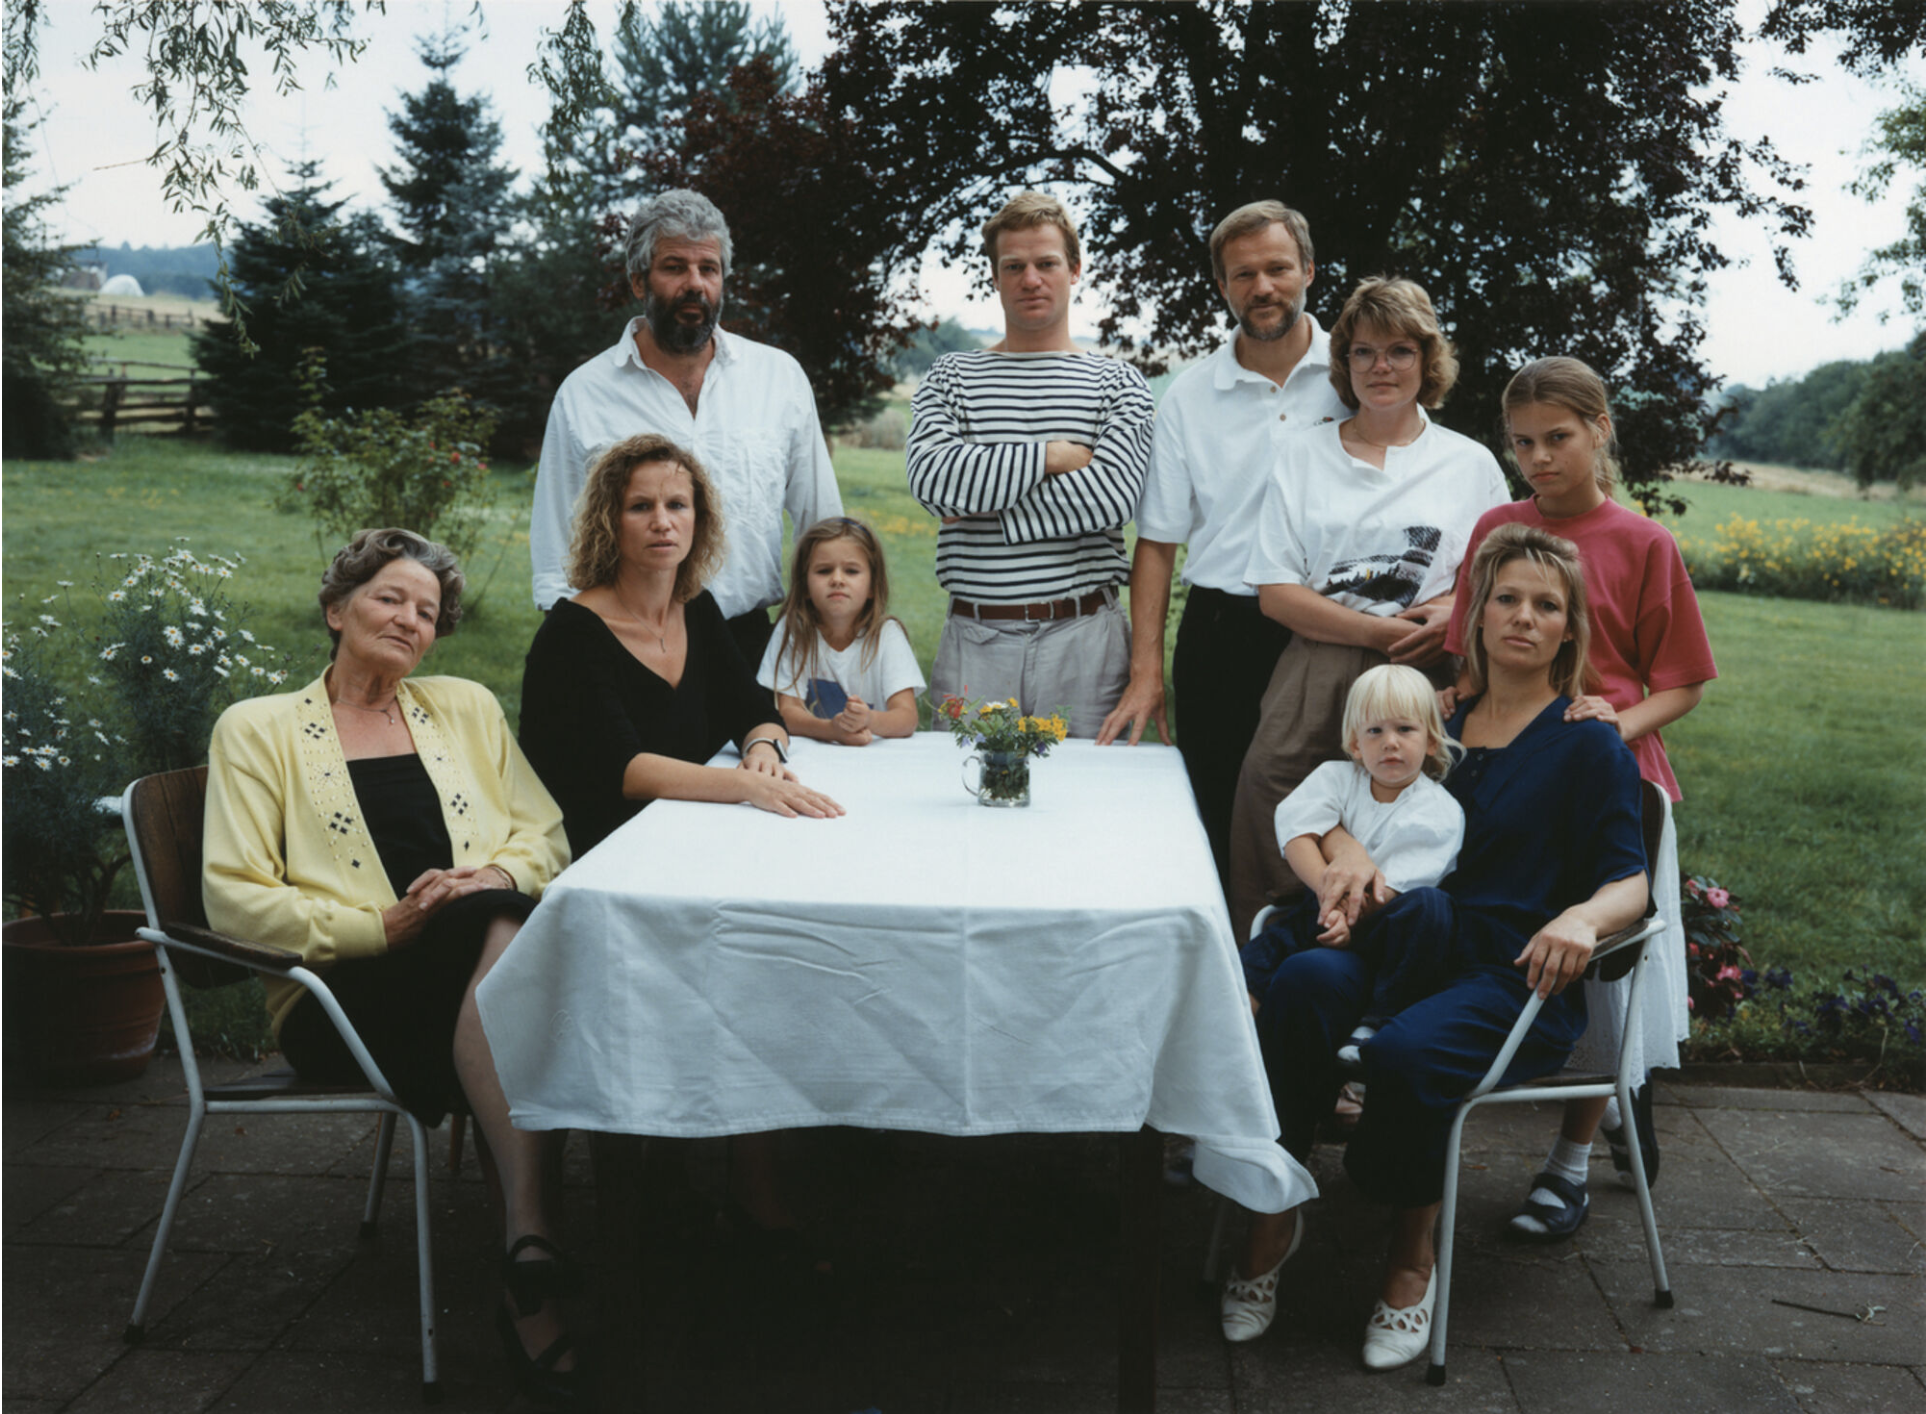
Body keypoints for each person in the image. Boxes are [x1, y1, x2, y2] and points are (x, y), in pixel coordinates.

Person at [1221, 523, 1648, 1372]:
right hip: (1400, 942)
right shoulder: (1431, 715)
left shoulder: (1586, 738)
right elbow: (1343, 796)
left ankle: (1412, 1254)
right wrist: (1344, 849)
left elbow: (1630, 882)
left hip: (1510, 970)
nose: (1525, 617)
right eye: (1507, 598)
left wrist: (1582, 921)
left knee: (1411, 1055)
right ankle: (1272, 1216)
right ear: (1477, 614)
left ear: (1569, 629)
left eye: (1547, 605)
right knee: (1304, 982)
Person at [201, 529, 580, 1406]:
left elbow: (545, 835)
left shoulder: (466, 707)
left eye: (428, 612)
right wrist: (382, 925)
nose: (413, 620)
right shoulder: (256, 730)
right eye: (389, 599)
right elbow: (235, 900)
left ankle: (529, 1265)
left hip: (479, 975)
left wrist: (493, 874)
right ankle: (538, 1251)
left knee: (500, 929)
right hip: (340, 1001)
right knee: (521, 967)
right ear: (336, 610)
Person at [1442, 356, 1716, 1240]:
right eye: (1522, 443)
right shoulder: (1498, 528)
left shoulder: (1644, 543)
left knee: (1598, 977)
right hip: (1509, 768)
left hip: (1610, 772)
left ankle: (1569, 1166)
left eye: (1557, 438)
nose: (1539, 459)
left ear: (1599, 430)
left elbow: (1682, 684)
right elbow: (1468, 648)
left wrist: (1609, 724)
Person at [1225, 276, 1509, 940]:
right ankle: (1279, 958)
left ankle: (1386, 954)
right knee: (1273, 786)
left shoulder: (1469, 465)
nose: (1381, 367)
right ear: (1344, 363)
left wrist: (1451, 612)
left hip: (1424, 673)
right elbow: (1275, 590)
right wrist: (1376, 632)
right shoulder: (1302, 454)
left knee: (1414, 805)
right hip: (1320, 658)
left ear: (1427, 360)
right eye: (1363, 352)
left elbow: (1492, 576)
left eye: (1400, 351)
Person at [1097, 201, 1349, 886]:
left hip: (1338, 628)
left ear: (1309, 271)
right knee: (1217, 813)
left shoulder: (1357, 376)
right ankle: (1228, 980)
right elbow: (1156, 542)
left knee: (1336, 818)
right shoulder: (1188, 396)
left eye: (1277, 269)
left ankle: (1313, 975)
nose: (1262, 287)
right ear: (1223, 286)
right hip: (1223, 632)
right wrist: (1148, 671)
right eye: (1243, 275)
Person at [528, 189, 843, 664]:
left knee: (760, 742)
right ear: (639, 281)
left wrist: (824, 635)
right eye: (674, 267)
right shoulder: (585, 393)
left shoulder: (778, 379)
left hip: (752, 645)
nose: (694, 284)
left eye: (708, 269)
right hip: (629, 646)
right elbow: (557, 547)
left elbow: (824, 526)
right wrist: (574, 651)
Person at [520, 432, 843, 859]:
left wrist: (762, 749)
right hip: (598, 848)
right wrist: (745, 785)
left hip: (687, 829)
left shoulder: (696, 609)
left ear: (698, 518)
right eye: (640, 507)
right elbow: (625, 768)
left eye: (676, 505)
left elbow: (755, 711)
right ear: (608, 521)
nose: (662, 522)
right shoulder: (572, 633)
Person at [906, 190, 1155, 736]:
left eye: (1046, 263)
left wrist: (981, 504)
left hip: (1085, 639)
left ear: (1075, 270)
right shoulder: (951, 377)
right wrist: (1053, 456)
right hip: (976, 639)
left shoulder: (1117, 382)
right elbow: (930, 479)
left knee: (1084, 808)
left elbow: (1111, 498)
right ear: (995, 277)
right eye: (1013, 266)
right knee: (967, 805)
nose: (1031, 279)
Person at [1240, 665, 1465, 1068]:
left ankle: (1375, 1022)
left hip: (1387, 925)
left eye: (1405, 730)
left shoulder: (1439, 811)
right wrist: (1330, 905)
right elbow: (1297, 834)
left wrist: (1348, 913)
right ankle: (1236, 1065)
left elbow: (1392, 889)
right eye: (1375, 731)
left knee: (1431, 907)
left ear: (1431, 740)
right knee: (1249, 974)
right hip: (1320, 908)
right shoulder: (1336, 778)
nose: (1390, 743)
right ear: (1355, 744)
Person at [758, 516, 924, 745]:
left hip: (877, 760)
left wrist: (867, 719)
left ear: (873, 587)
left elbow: (907, 718)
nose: (837, 579)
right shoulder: (794, 630)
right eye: (824, 571)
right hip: (813, 760)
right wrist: (832, 730)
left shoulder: (887, 635)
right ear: (805, 585)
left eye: (851, 571)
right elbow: (788, 712)